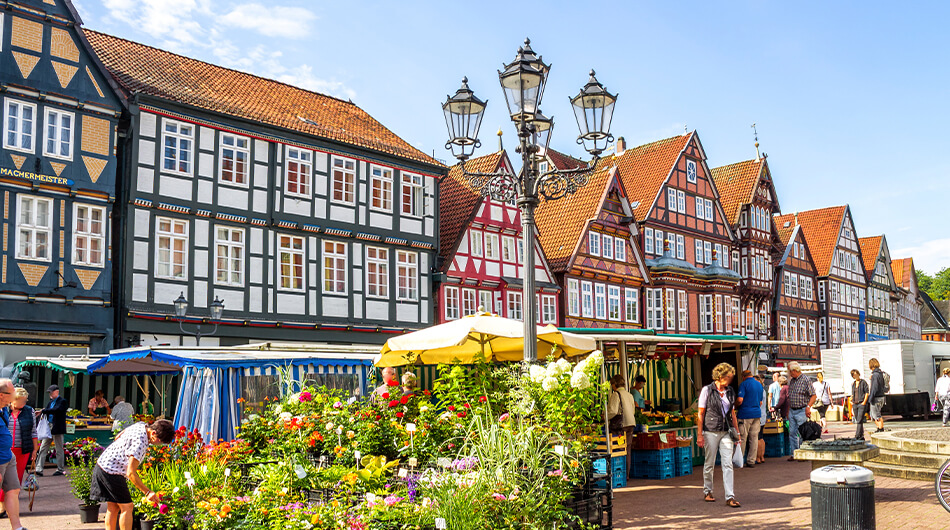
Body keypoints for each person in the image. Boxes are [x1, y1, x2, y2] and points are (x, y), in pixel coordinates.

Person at [89, 419, 175, 530]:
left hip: (103, 465)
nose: (159, 444)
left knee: (114, 507)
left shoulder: (141, 425)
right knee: (127, 507)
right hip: (112, 472)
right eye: (160, 441)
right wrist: (147, 492)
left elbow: (118, 437)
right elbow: (131, 473)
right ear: (153, 433)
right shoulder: (140, 443)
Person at [697, 363, 741, 508]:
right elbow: (701, 413)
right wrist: (699, 434)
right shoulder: (707, 390)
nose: (730, 379)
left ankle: (730, 496)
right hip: (711, 430)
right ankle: (707, 491)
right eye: (728, 377)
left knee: (727, 463)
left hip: (726, 431)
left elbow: (732, 413)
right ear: (720, 376)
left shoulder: (730, 391)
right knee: (709, 462)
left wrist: (737, 432)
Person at [0, 379, 28, 530]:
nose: (14, 396)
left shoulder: (4, 409)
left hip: (7, 455)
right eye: (11, 393)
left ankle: (17, 527)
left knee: (13, 489)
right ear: (1, 395)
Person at [606, 374, 638, 478]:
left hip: (621, 425)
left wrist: (604, 417)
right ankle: (626, 474)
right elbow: (633, 410)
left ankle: (619, 474)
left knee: (618, 449)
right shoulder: (629, 395)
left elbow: (613, 411)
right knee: (627, 449)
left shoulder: (616, 394)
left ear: (614, 384)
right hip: (630, 424)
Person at [34, 385, 67, 476]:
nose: (50, 394)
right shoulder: (50, 403)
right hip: (49, 427)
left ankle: (60, 469)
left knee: (59, 448)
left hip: (57, 428)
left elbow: (56, 410)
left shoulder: (62, 401)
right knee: (43, 447)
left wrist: (43, 411)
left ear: (57, 392)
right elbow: (49, 410)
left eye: (51, 392)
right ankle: (39, 468)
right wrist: (42, 411)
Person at [786, 362, 816, 460]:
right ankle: (794, 453)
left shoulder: (805, 380)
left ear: (795, 371)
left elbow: (813, 395)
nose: (789, 374)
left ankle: (804, 453)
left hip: (801, 409)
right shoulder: (792, 381)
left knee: (803, 432)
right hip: (792, 409)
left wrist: (808, 407)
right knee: (792, 432)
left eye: (790, 371)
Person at [735, 370, 763, 468]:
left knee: (743, 437)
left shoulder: (743, 384)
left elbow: (740, 400)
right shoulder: (759, 385)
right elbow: (760, 402)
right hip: (756, 414)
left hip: (745, 414)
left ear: (743, 377)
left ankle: (740, 460)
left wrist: (735, 406)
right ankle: (751, 460)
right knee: (754, 438)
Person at [868, 358, 887, 433]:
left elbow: (874, 387)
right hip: (882, 396)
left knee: (876, 414)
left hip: (876, 397)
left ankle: (880, 428)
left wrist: (871, 397)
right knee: (878, 412)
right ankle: (880, 427)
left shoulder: (875, 375)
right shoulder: (880, 373)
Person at [851, 369, 869, 440]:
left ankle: (857, 435)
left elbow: (867, 392)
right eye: (854, 375)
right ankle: (861, 436)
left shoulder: (863, 382)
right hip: (855, 403)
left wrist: (864, 402)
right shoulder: (853, 384)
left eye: (856, 374)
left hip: (861, 403)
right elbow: (853, 393)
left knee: (859, 419)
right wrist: (851, 401)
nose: (856, 376)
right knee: (858, 420)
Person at [754, 375, 767, 464]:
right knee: (761, 437)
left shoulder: (758, 391)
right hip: (763, 415)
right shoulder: (763, 390)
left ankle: (757, 457)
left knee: (757, 438)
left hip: (758, 415)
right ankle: (762, 456)